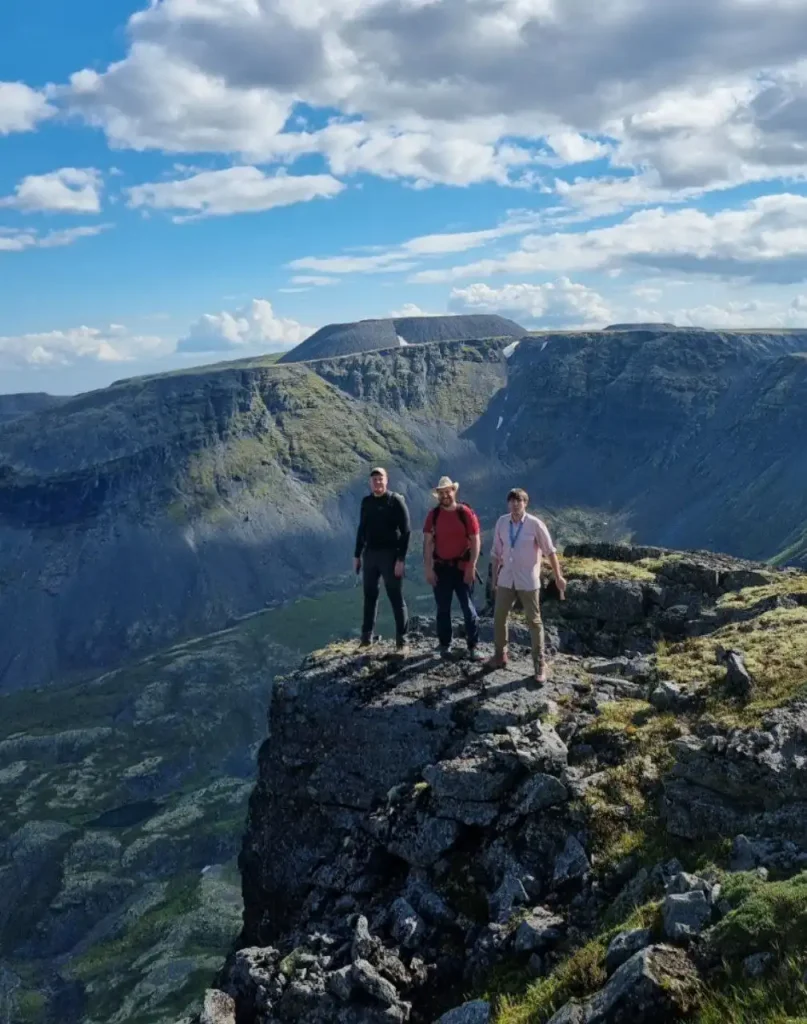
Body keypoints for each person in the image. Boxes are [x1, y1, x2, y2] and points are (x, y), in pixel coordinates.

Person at [488, 488, 567, 684]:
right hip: (506, 577)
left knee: (533, 621)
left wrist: (558, 577)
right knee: (499, 617)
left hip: (528, 581)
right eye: (512, 501)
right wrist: (494, 579)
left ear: (526, 503)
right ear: (508, 504)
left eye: (519, 501)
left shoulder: (535, 525)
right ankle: (500, 655)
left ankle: (540, 665)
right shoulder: (502, 522)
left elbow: (550, 552)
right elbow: (496, 553)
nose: (515, 504)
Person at [422, 475, 482, 660]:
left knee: (468, 608)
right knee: (443, 609)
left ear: (453, 491)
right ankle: (444, 644)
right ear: (438, 495)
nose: (445, 495)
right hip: (441, 568)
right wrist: (428, 568)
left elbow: (475, 540)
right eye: (441, 493)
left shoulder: (465, 513)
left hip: (462, 567)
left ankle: (473, 646)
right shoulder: (434, 515)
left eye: (447, 491)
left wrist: (471, 566)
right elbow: (427, 543)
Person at [354, 467, 411, 651]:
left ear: (387, 481)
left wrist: (401, 559)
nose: (377, 482)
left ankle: (402, 639)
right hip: (370, 554)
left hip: (390, 554)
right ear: (370, 483)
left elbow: (406, 531)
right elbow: (361, 530)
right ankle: (366, 638)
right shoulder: (366, 502)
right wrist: (357, 555)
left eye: (380, 479)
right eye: (374, 479)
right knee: (369, 596)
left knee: (395, 596)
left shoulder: (395, 501)